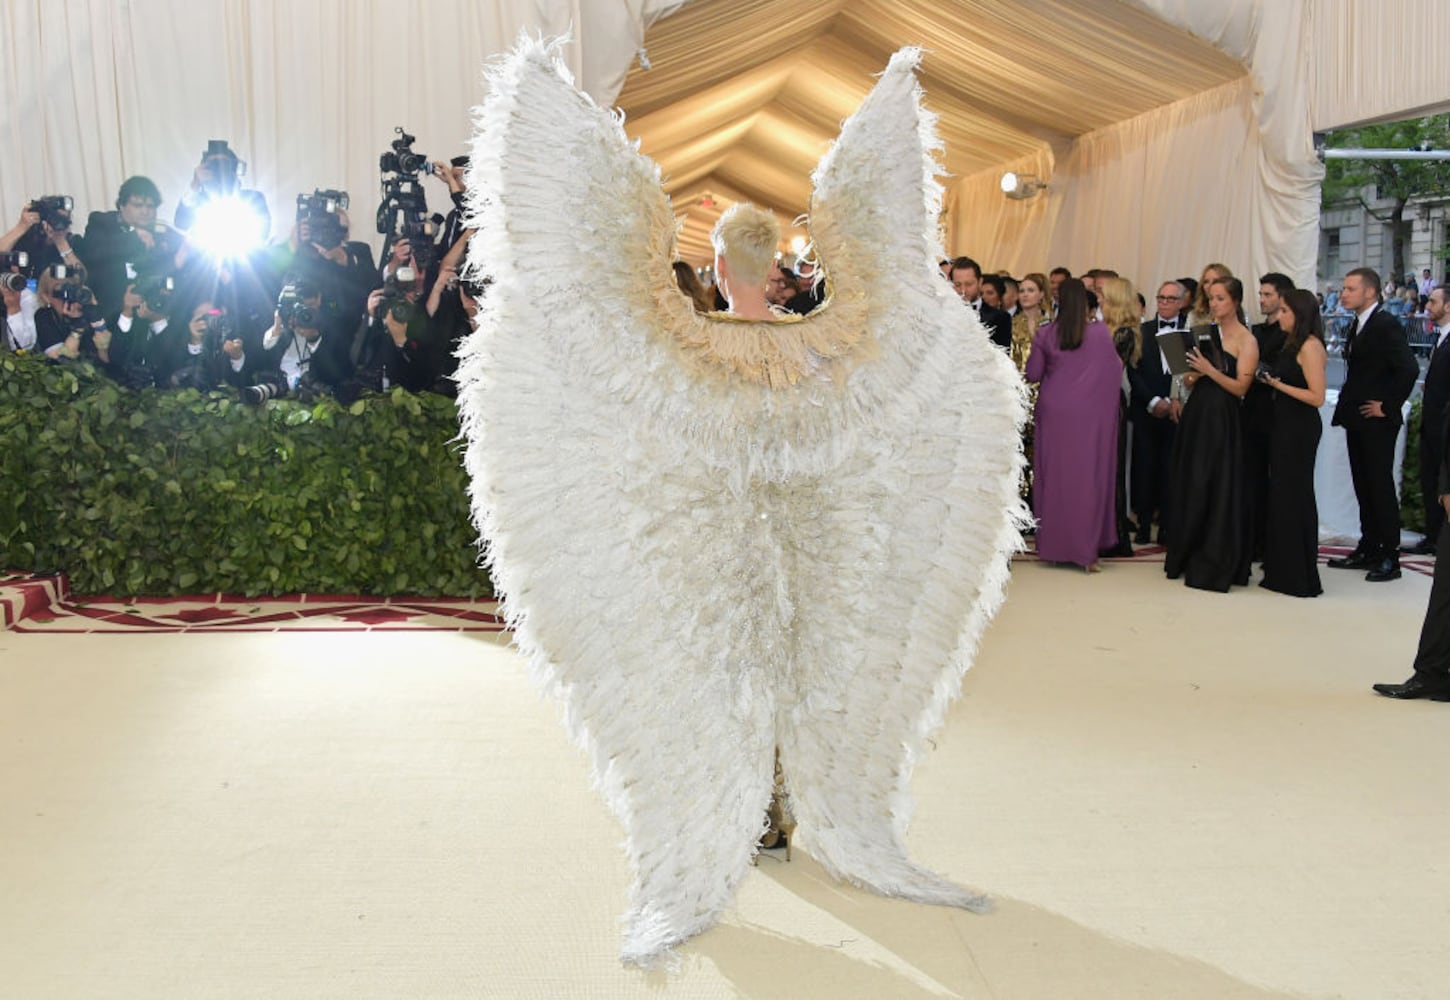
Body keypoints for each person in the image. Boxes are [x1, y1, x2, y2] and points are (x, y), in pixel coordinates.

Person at [456, 40, 1026, 965]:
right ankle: (800, 804)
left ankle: (745, 820)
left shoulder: (677, 350)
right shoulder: (831, 349)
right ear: (777, 265)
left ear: (720, 264)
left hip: (706, 532)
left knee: (721, 656)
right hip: (821, 526)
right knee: (815, 645)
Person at [1164, 276, 1259, 591]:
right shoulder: (1206, 333)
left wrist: (1209, 371)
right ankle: (1186, 551)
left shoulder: (1247, 340)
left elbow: (1241, 388)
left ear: (1235, 301)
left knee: (1216, 482)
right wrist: (1190, 374)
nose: (1215, 304)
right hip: (1198, 413)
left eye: (1220, 298)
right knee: (1192, 480)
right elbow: (1193, 376)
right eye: (1212, 299)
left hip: (1223, 417)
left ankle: (1215, 556)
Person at [1326, 267, 1418, 582]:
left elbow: (1408, 369)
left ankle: (1390, 556)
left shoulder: (1385, 323)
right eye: (1343, 288)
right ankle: (1369, 547)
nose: (1343, 293)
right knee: (1364, 486)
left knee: (1379, 487)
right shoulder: (1359, 323)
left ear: (1370, 292)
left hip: (1377, 422)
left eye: (1350, 288)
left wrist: (1388, 405)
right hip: (1358, 419)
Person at [1025, 278, 1123, 571]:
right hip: (1090, 417)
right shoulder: (1100, 335)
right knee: (1087, 480)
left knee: (1055, 479)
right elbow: (1114, 373)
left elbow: (1032, 374)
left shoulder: (1046, 334)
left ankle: (1054, 547)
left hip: (1055, 413)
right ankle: (1086, 552)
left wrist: (1034, 339)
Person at [1258, 289, 1327, 597]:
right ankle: (1283, 568)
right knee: (1282, 496)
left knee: (1295, 495)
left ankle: (1299, 574)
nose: (1280, 315)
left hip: (1300, 428)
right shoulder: (1292, 344)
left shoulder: (1311, 346)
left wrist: (1278, 385)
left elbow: (1317, 397)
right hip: (1284, 424)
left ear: (1299, 314)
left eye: (1285, 311)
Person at [1128, 280, 1187, 544]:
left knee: (1170, 469)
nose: (1164, 303)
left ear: (1181, 302)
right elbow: (1133, 370)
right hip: (1146, 409)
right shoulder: (1143, 330)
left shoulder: (1189, 331)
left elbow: (1184, 372)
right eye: (1161, 298)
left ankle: (1166, 524)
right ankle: (1142, 523)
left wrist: (1173, 399)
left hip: (1177, 411)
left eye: (1170, 299)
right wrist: (1152, 401)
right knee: (1144, 468)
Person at [1245, 273, 1293, 561]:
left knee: (1276, 482)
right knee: (1253, 479)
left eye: (1267, 295)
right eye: (1260, 294)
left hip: (1277, 414)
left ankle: (1271, 542)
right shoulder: (1257, 332)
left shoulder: (1291, 335)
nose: (1262, 300)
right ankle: (1254, 539)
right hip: (1252, 413)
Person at [1408, 286, 1450, 555]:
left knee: (1441, 481)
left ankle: (1440, 538)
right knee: (1430, 480)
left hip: (1444, 425)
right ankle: (1433, 536)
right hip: (1432, 421)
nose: (1427, 306)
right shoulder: (1439, 338)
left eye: (1433, 301)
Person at [1100, 276, 1140, 557]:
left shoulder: (1124, 333)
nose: (1098, 298)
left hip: (1112, 402)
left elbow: (1111, 370)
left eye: (1102, 294)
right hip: (1096, 402)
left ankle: (1114, 534)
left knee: (1113, 468)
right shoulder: (1102, 328)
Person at [950, 256, 1011, 350]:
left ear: (980, 282)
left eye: (969, 284)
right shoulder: (942, 315)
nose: (963, 290)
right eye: (957, 285)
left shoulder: (1001, 318)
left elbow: (1002, 358)